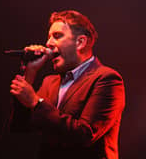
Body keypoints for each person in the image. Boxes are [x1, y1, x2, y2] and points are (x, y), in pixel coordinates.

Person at [8, 10, 125, 159]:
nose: (48, 43)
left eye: (57, 36)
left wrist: (36, 102)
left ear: (80, 42)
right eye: (49, 37)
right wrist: (30, 74)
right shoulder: (50, 82)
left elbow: (84, 135)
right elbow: (20, 125)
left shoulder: (106, 79)